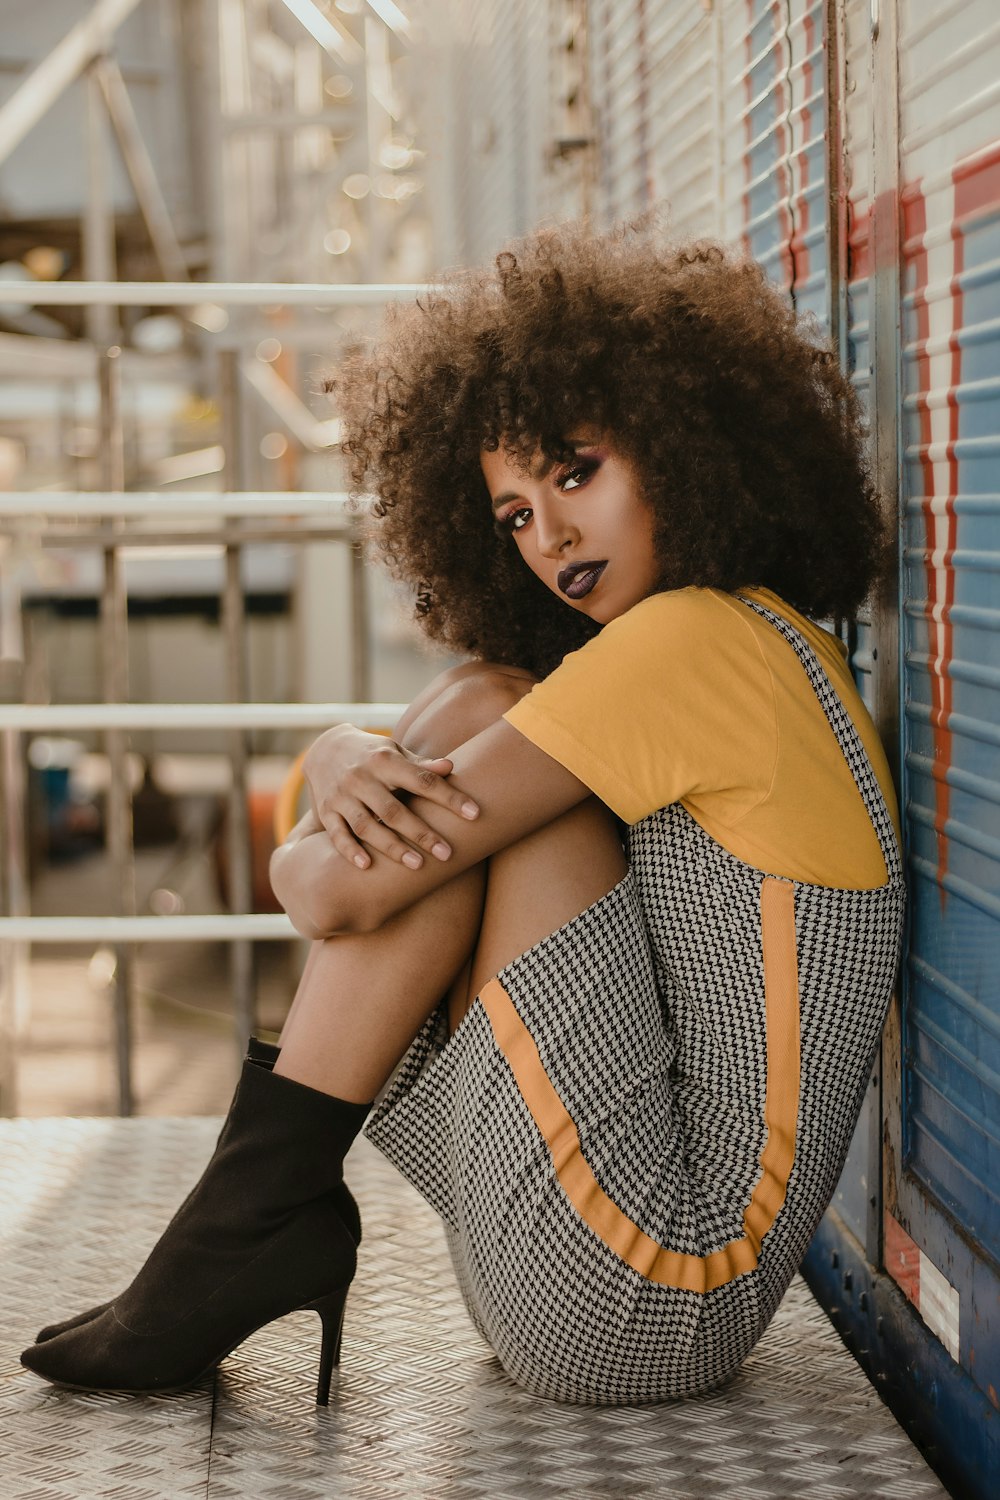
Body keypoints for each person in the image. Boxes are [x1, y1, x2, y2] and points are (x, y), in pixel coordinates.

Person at [22, 223, 904, 1406]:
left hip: (644, 1289)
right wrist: (339, 754)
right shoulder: (748, 638)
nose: (551, 539)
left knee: (481, 748)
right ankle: (248, 1221)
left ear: (687, 448)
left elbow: (334, 889)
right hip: (595, 1271)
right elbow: (387, 818)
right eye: (512, 516)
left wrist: (319, 808)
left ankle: (246, 1224)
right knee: (479, 714)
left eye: (575, 471)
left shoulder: (693, 647)